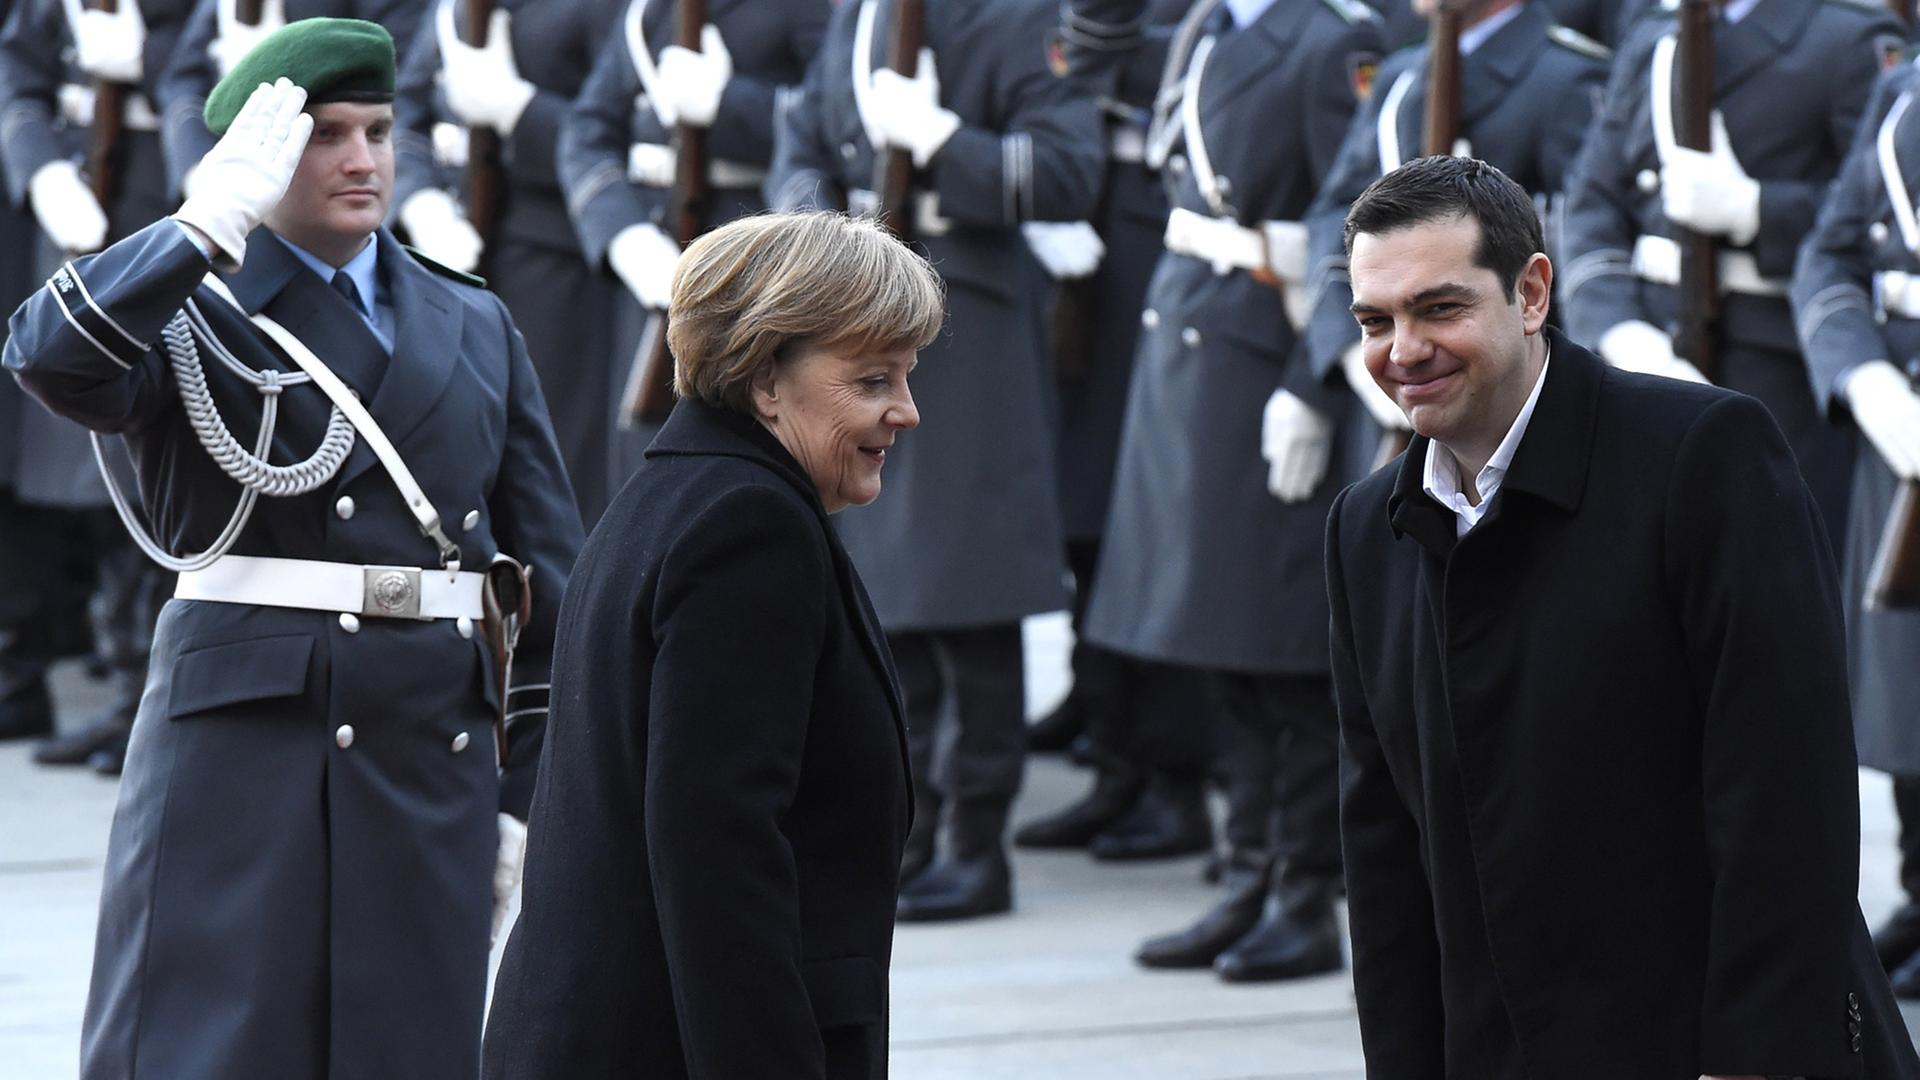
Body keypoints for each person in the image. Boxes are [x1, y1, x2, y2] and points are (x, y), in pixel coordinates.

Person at [4, 19, 582, 1077]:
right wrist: (197, 225)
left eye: (377, 130)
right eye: (322, 135)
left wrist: (524, 801)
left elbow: (548, 585)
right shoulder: (186, 310)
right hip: (246, 764)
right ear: (253, 157)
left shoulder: (471, 319)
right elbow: (45, 360)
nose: (362, 159)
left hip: (428, 766)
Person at [1328, 153, 1920, 1078]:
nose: (1403, 350)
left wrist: (1753, 1060)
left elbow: (1784, 800)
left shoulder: (1704, 457)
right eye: (1376, 319)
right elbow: (1387, 861)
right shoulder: (1367, 531)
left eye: (1440, 308)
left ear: (1531, 292)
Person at [482, 211, 937, 1080]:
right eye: (873, 379)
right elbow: (719, 859)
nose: (906, 411)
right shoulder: (748, 528)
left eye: (907, 377)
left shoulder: (677, 495)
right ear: (768, 379)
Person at [768, 0, 1103, 922]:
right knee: (891, 607)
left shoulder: (1005, 17)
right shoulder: (857, 16)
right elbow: (800, 138)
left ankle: (975, 843)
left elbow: (1070, 169)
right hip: (855, 326)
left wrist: (946, 139)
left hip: (967, 332)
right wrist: (827, 235)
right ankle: (907, 834)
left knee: (972, 599)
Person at [1067, 0, 1380, 983]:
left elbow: (1355, 232)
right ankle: (1247, 877)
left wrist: (1316, 381)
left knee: (1283, 650)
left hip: (1265, 347)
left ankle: (1303, 894)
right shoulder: (1214, 21)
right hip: (1197, 333)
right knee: (1225, 646)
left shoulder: (1334, 38)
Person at [1559, 0, 1905, 546]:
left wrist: (1757, 209)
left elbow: (1873, 225)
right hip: (1649, 355)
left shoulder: (1843, 38)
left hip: (1772, 368)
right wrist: (1621, 331)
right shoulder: (1656, 38)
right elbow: (1591, 204)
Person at [0, 0, 196, 772]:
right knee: (78, 472)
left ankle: (141, 697)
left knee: (141, 467)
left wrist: (142, 60)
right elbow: (20, 72)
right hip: (75, 200)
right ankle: (121, 688)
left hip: (155, 199)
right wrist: (40, 167)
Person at [1296, 0, 1608, 474]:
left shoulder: (1563, 76)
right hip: (1396, 389)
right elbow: (1336, 215)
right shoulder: (1402, 74)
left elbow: (1574, 244)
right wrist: (1348, 350)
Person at [557, 0, 830, 503]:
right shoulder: (651, 10)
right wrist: (624, 237)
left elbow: (830, 123)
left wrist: (729, 103)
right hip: (655, 260)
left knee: (743, 466)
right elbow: (587, 132)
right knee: (647, 472)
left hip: (749, 262)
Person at [391, 0, 626, 524]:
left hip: (555, 264)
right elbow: (406, 112)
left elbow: (614, 136)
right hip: (455, 249)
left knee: (554, 464)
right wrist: (417, 200)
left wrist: (518, 109)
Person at [1793, 52, 1920, 997]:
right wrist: (1864, 378)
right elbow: (1833, 252)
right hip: (1901, 423)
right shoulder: (1904, 79)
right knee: (1904, 676)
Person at [155, 0, 431, 200]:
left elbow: (388, 82)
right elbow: (184, 78)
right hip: (228, 171)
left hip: (320, 174)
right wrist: (198, 171)